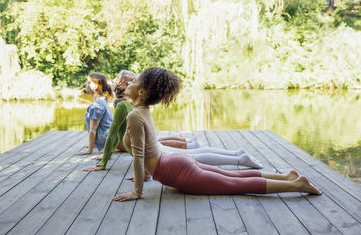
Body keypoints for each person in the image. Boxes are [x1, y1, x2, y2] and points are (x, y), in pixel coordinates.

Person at [112, 67, 322, 202]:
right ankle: (286, 176)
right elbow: (147, 150)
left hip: (175, 170)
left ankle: (295, 184)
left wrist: (137, 191)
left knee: (236, 184)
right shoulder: (142, 112)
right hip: (174, 164)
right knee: (234, 177)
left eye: (133, 81)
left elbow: (140, 156)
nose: (128, 83)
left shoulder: (134, 116)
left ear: (141, 93)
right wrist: (147, 175)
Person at [83, 70, 262, 171]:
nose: (113, 82)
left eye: (117, 80)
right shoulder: (132, 104)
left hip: (152, 153)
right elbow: (119, 137)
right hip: (151, 150)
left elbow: (114, 133)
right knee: (195, 156)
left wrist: (103, 162)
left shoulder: (123, 106)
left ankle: (239, 159)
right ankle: (237, 156)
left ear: (122, 85)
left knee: (195, 158)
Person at [79, 73, 114, 155]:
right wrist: (93, 144)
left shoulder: (97, 105)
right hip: (110, 138)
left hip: (108, 140)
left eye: (88, 82)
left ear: (95, 86)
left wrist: (89, 150)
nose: (86, 84)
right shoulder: (102, 101)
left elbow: (93, 130)